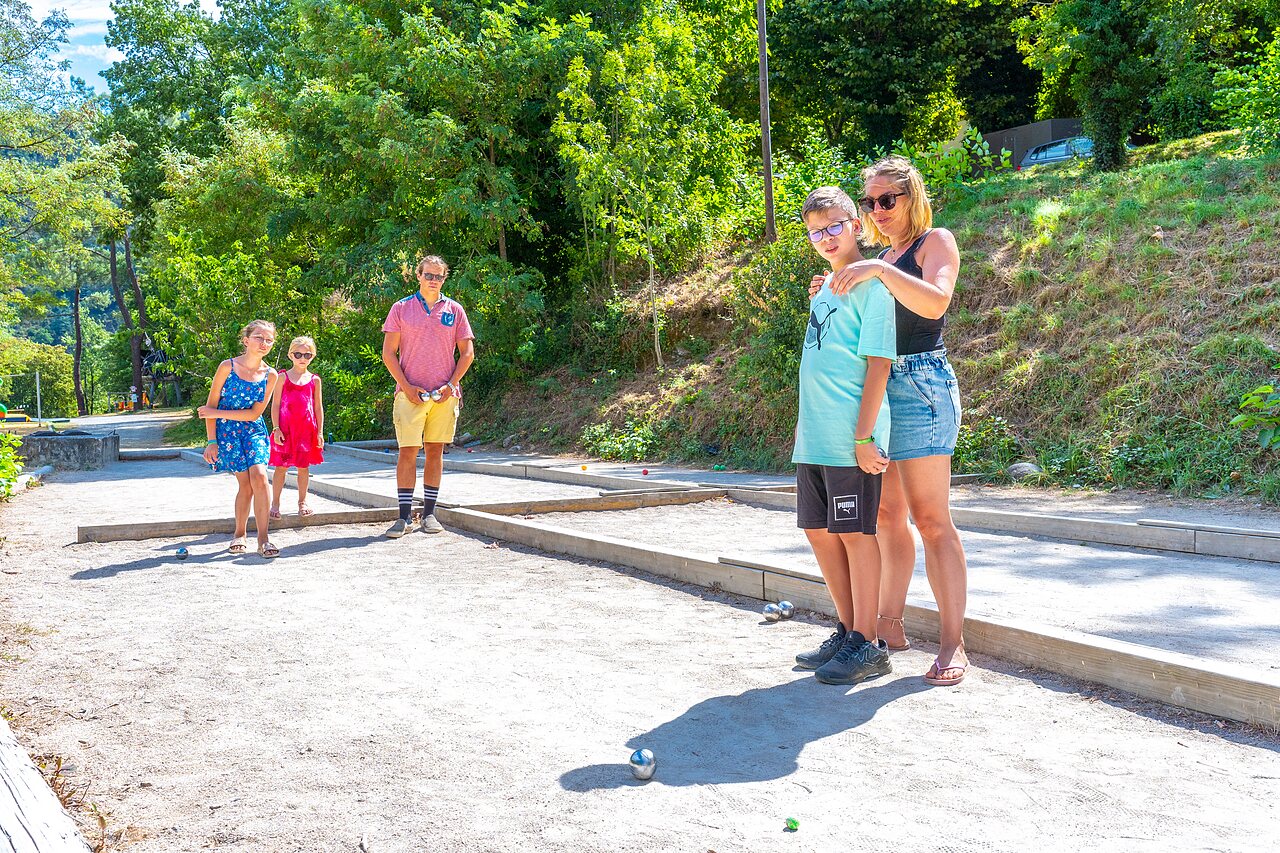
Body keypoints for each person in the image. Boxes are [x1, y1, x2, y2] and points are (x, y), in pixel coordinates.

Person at [823, 155, 970, 686]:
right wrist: (836, 288)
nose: (878, 209)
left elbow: (935, 304)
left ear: (912, 196)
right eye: (870, 201)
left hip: (923, 385)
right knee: (887, 517)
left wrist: (880, 271)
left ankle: (953, 644)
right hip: (880, 388)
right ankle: (889, 627)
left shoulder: (935, 242)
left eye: (888, 198)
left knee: (932, 521)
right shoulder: (881, 258)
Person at [792, 186, 898, 686]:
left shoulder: (874, 289)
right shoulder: (825, 289)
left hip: (851, 438)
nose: (827, 237)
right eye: (817, 232)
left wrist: (864, 437)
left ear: (856, 225)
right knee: (819, 532)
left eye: (836, 226)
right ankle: (846, 630)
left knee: (857, 535)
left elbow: (879, 365)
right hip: (814, 436)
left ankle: (868, 644)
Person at [381, 254, 475, 537]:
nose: (433, 280)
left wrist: (452, 384)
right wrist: (406, 387)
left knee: (435, 451)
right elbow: (388, 353)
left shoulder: (455, 309)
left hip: (444, 395)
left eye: (438, 276)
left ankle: (430, 514)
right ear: (418, 276)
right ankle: (403, 517)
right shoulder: (401, 308)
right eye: (428, 275)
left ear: (444, 279)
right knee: (407, 452)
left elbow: (467, 353)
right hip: (409, 394)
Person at [199, 320, 283, 558]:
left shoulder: (271, 375)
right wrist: (211, 441)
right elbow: (211, 404)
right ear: (246, 340)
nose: (264, 343)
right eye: (259, 337)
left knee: (260, 477)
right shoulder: (227, 366)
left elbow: (254, 414)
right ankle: (240, 533)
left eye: (269, 340)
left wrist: (216, 413)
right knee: (245, 484)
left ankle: (264, 539)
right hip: (227, 433)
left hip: (253, 430)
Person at [268, 336, 325, 519]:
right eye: (298, 354)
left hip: (306, 431)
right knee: (281, 467)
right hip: (285, 430)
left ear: (312, 356)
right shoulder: (282, 377)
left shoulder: (315, 380)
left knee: (303, 467)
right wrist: (276, 428)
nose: (302, 358)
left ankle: (302, 502)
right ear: (290, 355)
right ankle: (275, 503)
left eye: (307, 355)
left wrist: (320, 432)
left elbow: (318, 407)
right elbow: (275, 404)